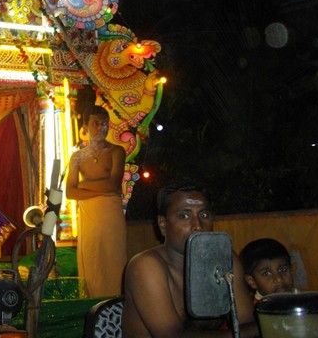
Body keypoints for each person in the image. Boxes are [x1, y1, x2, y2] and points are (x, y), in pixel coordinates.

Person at [122, 181, 259, 337]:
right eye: (184, 216)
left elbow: (246, 323)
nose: (197, 226)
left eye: (204, 215)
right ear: (163, 224)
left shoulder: (224, 259)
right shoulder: (146, 266)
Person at [66, 104, 127, 297]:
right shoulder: (77, 157)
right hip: (89, 214)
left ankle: (117, 305)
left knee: (114, 259)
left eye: (104, 124)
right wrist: (101, 189)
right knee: (92, 262)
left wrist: (83, 185)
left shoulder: (116, 151)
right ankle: (93, 306)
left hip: (111, 214)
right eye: (95, 123)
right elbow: (70, 192)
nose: (101, 128)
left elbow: (113, 185)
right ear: (85, 127)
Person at [239, 238, 296, 305]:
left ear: (291, 270)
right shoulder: (255, 309)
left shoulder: (300, 302)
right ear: (252, 281)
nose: (279, 279)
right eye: (266, 273)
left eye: (283, 269)